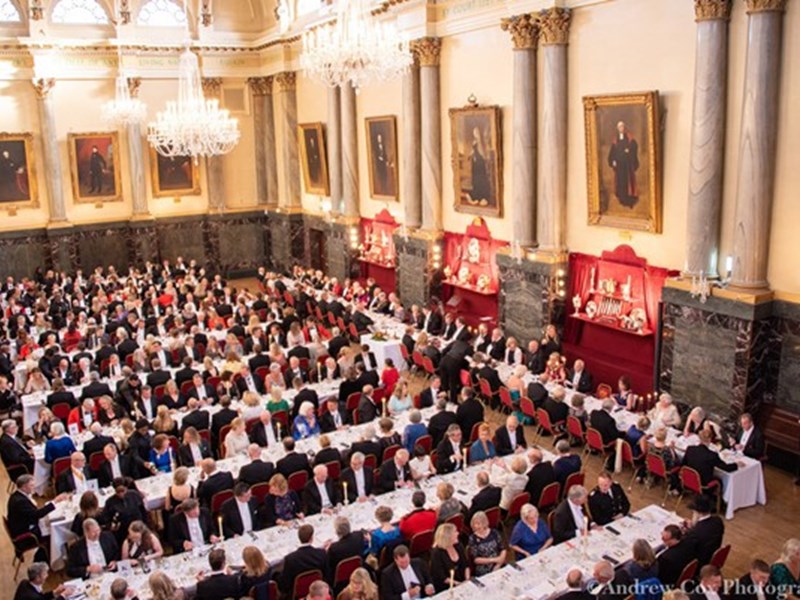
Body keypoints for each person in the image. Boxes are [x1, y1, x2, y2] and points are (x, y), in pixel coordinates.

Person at [280, 524, 329, 596]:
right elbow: (327, 574)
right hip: (317, 588)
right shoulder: (321, 553)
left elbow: (285, 584)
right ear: (311, 538)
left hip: (297, 592)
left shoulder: (290, 559)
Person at [681, 495, 724, 567]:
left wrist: (685, 533)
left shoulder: (695, 533)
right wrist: (693, 527)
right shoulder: (718, 521)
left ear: (698, 513)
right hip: (710, 556)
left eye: (693, 512)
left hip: (699, 564)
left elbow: (686, 548)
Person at [429, 522, 469, 592]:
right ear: (448, 537)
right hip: (447, 587)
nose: (458, 533)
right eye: (455, 532)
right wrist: (458, 584)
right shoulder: (437, 553)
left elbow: (466, 565)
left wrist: (467, 580)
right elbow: (441, 577)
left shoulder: (458, 545)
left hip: (462, 582)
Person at [608, 120, 639, 207]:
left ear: (624, 128)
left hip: (626, 164)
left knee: (627, 180)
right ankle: (621, 198)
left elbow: (634, 145)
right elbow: (613, 151)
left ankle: (628, 198)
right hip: (619, 164)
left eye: (622, 126)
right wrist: (613, 160)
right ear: (617, 128)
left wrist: (629, 150)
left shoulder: (629, 137)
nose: (621, 128)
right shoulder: (615, 139)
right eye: (619, 127)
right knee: (620, 181)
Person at [326, 516, 364, 587]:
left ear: (336, 531)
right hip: (358, 570)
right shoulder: (359, 536)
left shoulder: (334, 548)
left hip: (340, 579)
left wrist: (327, 550)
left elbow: (329, 565)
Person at [468, 510, 505, 575]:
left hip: (498, 563)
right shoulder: (472, 538)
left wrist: (499, 564)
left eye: (478, 524)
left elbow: (503, 549)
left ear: (484, 523)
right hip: (484, 567)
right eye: (474, 524)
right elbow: (476, 559)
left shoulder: (494, 533)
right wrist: (494, 560)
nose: (476, 526)